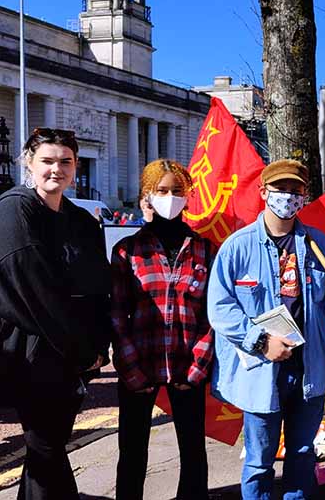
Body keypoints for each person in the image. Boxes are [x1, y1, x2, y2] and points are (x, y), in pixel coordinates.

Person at [0, 127, 111, 498]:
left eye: (65, 162)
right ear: (29, 163)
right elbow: (29, 291)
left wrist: (97, 344)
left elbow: (97, 287)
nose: (56, 169)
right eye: (47, 161)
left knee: (48, 448)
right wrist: (81, 349)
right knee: (46, 447)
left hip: (72, 359)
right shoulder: (15, 209)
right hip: (31, 355)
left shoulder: (82, 221)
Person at [207, 159, 325, 500]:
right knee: (259, 462)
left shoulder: (316, 244)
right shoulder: (237, 246)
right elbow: (220, 308)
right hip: (261, 371)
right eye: (281, 189)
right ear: (264, 192)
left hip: (307, 369)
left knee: (303, 453)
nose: (288, 197)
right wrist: (262, 342)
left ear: (304, 197)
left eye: (296, 191)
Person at [110, 159, 214, 500]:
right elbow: (117, 314)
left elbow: (212, 314)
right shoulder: (128, 250)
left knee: (193, 450)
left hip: (187, 367)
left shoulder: (203, 248)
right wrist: (130, 370)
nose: (170, 197)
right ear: (147, 197)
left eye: (177, 191)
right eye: (162, 191)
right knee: (133, 452)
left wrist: (197, 369)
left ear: (188, 196)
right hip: (140, 365)